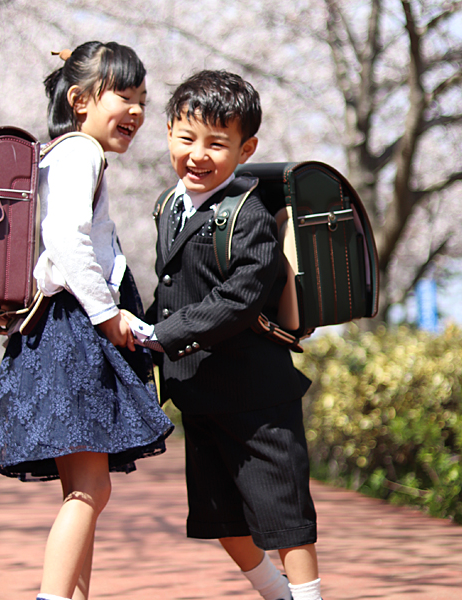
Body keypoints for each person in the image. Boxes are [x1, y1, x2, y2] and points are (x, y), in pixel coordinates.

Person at [123, 70, 322, 600]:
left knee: (284, 515)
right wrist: (135, 327)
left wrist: (161, 334)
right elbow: (172, 288)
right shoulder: (170, 207)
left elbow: (239, 299)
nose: (198, 155)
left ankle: (307, 596)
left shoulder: (249, 215)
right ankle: (275, 593)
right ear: (168, 133)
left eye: (217, 143)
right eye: (187, 138)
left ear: (246, 148)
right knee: (219, 516)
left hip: (257, 397)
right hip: (199, 392)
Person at [0, 41, 173, 600]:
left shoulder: (58, 153)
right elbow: (66, 239)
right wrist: (107, 313)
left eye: (142, 98)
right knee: (91, 489)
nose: (137, 110)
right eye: (124, 95)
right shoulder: (80, 153)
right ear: (80, 99)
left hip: (54, 331)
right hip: (73, 331)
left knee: (81, 489)